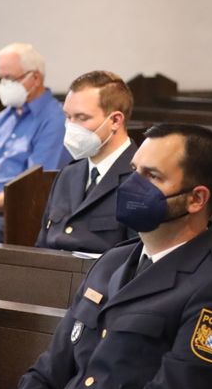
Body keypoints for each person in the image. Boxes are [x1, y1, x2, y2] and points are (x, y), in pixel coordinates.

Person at [15, 123, 212, 389]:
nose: (132, 185)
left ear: (196, 199)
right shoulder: (112, 261)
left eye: (152, 176)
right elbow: (48, 373)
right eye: (134, 171)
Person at [0, 43, 65, 243]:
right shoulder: (2, 118)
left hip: (17, 215)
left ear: (35, 78)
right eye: (0, 79)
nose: (4, 85)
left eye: (10, 78)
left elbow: (32, 185)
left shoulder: (54, 120)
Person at [36, 70, 137, 253]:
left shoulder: (140, 177)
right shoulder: (68, 174)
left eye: (82, 118)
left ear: (115, 120)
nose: (71, 126)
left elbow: (136, 259)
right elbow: (42, 247)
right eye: (68, 117)